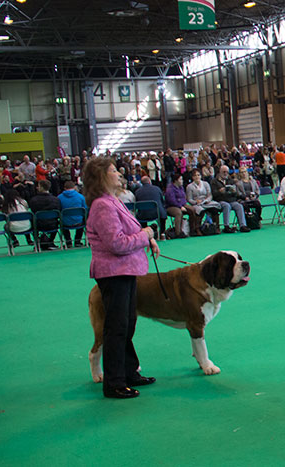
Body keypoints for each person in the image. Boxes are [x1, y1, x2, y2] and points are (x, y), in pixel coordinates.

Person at [83, 157, 158, 399]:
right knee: (116, 327)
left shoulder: (113, 201)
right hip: (113, 272)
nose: (119, 173)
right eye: (113, 171)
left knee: (127, 324)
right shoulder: (103, 206)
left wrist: (148, 237)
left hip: (126, 271)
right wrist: (146, 234)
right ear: (102, 177)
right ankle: (114, 382)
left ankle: (128, 371)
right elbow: (116, 242)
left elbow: (130, 230)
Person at [211, 165, 250, 233]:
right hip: (220, 200)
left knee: (239, 206)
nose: (225, 173)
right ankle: (226, 226)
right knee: (226, 206)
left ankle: (243, 225)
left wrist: (234, 191)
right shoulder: (214, 181)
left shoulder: (230, 181)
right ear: (220, 172)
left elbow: (236, 194)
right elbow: (213, 194)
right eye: (224, 172)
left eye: (227, 172)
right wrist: (220, 191)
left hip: (231, 200)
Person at [29, 180, 61, 250]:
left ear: (41, 187)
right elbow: (58, 210)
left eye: (39, 186)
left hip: (39, 224)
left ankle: (39, 242)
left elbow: (33, 211)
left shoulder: (33, 200)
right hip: (53, 224)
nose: (37, 187)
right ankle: (50, 241)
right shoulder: (56, 200)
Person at [58, 180, 88, 248]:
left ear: (64, 188)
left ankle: (68, 242)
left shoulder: (59, 197)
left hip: (65, 222)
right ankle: (77, 241)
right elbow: (85, 209)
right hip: (78, 221)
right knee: (83, 219)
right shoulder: (81, 197)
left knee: (63, 221)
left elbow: (58, 209)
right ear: (74, 187)